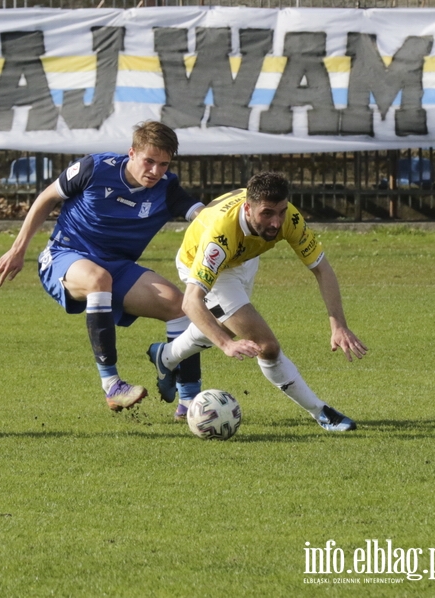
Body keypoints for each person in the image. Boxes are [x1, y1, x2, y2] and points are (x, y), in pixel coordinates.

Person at [0, 121, 204, 412]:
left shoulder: (167, 189)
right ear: (132, 153)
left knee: (179, 306)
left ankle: (190, 400)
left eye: (163, 164)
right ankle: (112, 385)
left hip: (119, 267)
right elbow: (46, 198)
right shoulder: (94, 168)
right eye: (149, 161)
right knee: (98, 279)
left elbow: (202, 217)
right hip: (66, 255)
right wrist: (18, 249)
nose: (155, 171)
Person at [149, 171, 367, 431]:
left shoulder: (289, 218)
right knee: (266, 345)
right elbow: (190, 303)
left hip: (244, 258)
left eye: (281, 212)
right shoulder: (219, 237)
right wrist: (226, 344)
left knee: (231, 322)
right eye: (267, 214)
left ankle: (167, 356)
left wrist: (338, 324)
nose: (276, 223)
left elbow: (322, 269)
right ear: (248, 208)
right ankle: (320, 411)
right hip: (202, 262)